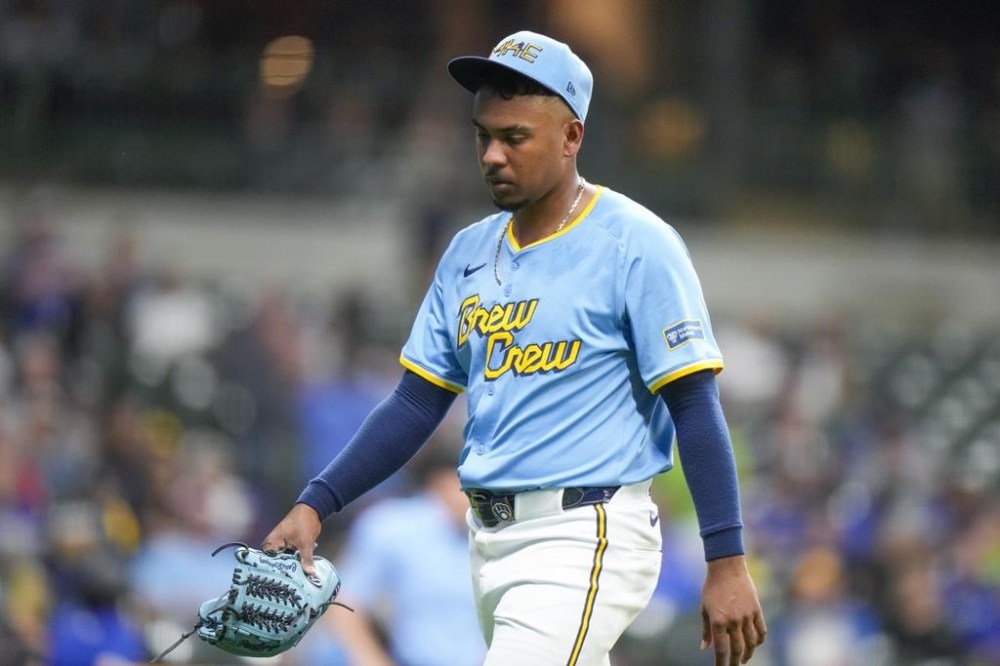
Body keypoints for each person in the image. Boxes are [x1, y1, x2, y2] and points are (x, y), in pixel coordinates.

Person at [264, 29, 766, 666]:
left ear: (571, 136)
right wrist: (317, 502)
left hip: (585, 530)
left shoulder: (636, 243)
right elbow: (416, 404)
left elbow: (694, 404)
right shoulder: (467, 252)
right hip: (489, 540)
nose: (492, 155)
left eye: (515, 137)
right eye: (484, 134)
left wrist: (726, 560)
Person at [325, 444, 487, 666]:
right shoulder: (392, 526)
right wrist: (371, 659)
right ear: (442, 482)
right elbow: (344, 602)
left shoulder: (498, 532)